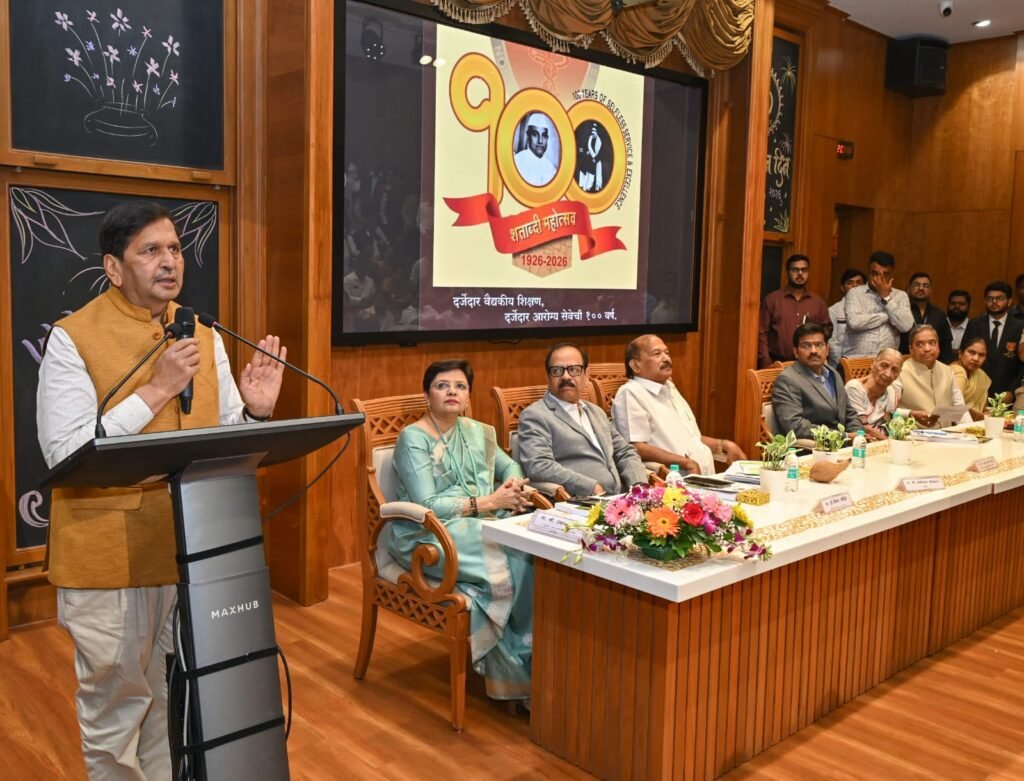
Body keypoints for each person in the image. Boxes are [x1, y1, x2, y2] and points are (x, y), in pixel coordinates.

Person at [36, 202, 285, 779]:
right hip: (107, 556)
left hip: (192, 552)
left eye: (174, 248)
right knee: (116, 710)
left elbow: (224, 436)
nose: (169, 261)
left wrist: (254, 412)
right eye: (150, 251)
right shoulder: (73, 338)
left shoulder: (205, 333)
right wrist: (157, 390)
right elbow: (65, 454)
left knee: (168, 703)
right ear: (113, 267)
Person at [389, 360, 533, 701]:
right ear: (427, 395)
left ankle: (530, 657)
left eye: (460, 386)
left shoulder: (478, 431)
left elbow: (510, 465)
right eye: (442, 386)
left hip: (479, 521)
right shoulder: (413, 438)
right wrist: (488, 502)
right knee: (510, 556)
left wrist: (511, 485)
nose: (451, 392)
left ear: (468, 396)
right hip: (428, 534)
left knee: (531, 551)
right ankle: (513, 671)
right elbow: (426, 504)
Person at [518, 343, 648, 497]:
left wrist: (639, 487)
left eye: (574, 369)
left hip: (620, 499)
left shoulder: (596, 412)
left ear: (586, 375)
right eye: (557, 370)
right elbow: (538, 466)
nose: (566, 376)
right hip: (580, 501)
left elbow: (624, 452)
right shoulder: (535, 415)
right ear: (548, 377)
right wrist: (589, 487)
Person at [611, 335, 745, 475]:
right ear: (636, 365)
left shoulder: (669, 387)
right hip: (674, 482)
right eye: (657, 354)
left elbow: (690, 437)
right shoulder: (631, 393)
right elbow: (635, 447)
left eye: (667, 353)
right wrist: (685, 462)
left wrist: (724, 445)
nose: (666, 358)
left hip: (706, 478)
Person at [772, 322, 862, 439]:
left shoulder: (833, 374)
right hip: (813, 447)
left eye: (819, 345)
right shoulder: (787, 379)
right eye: (806, 346)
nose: (814, 351)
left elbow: (849, 412)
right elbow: (795, 426)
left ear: (827, 349)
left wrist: (859, 434)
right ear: (795, 352)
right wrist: (844, 436)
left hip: (846, 444)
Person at [757, 254, 831, 368]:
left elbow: (826, 332)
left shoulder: (818, 303)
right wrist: (766, 363)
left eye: (804, 270)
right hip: (778, 365)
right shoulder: (772, 300)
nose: (800, 274)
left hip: (809, 365)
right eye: (795, 270)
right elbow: (762, 334)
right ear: (787, 272)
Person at [842, 251, 914, 358]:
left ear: (892, 274)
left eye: (885, 274)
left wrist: (886, 297)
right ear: (868, 273)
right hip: (856, 360)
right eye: (874, 274)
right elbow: (854, 322)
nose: (879, 280)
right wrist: (887, 317)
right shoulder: (855, 293)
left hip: (887, 361)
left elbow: (906, 325)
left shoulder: (901, 295)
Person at [898, 324, 972, 427]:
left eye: (932, 343)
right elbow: (888, 411)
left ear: (938, 346)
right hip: (913, 434)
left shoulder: (947, 371)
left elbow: (958, 407)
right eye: (920, 344)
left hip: (947, 433)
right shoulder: (899, 372)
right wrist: (910, 414)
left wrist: (971, 430)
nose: (927, 348)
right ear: (910, 349)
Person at [961, 281, 1024, 399]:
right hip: (977, 391)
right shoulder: (975, 324)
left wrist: (1012, 391)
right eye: (990, 298)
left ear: (1009, 301)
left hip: (1008, 392)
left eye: (1000, 298)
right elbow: (964, 355)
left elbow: (1022, 365)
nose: (994, 302)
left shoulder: (1020, 326)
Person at [844, 348, 904, 440]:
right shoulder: (854, 388)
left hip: (883, 440)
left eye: (894, 370)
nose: (888, 374)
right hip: (861, 442)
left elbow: (893, 420)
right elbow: (862, 427)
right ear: (873, 363)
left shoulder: (894, 390)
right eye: (884, 366)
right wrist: (889, 442)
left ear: (899, 374)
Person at [899, 272, 954, 362]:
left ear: (931, 292)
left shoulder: (939, 315)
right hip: (904, 364)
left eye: (926, 286)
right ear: (908, 290)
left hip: (932, 364)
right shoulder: (900, 312)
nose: (921, 288)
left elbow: (945, 346)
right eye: (916, 285)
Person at [827, 268, 866, 367]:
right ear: (842, 288)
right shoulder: (833, 310)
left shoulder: (872, 309)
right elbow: (832, 342)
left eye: (859, 282)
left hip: (867, 362)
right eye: (850, 283)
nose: (855, 286)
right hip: (841, 364)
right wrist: (844, 364)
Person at [949, 336, 992, 421]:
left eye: (981, 355)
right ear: (960, 353)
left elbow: (984, 408)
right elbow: (955, 407)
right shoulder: (956, 371)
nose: (976, 359)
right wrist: (981, 417)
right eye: (972, 352)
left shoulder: (981, 375)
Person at [513, 111, 557, 187]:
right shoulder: (517, 162)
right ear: (528, 136)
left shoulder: (551, 168)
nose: (540, 141)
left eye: (544, 135)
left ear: (547, 138)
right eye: (535, 135)